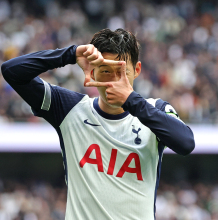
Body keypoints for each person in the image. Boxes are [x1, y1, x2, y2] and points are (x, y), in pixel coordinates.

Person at [1, 28, 195, 220]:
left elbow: (186, 143)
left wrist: (131, 101)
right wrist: (70, 54)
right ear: (92, 72)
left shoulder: (156, 109)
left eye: (121, 72)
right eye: (105, 71)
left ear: (136, 71)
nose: (114, 81)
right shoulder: (70, 109)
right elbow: (12, 71)